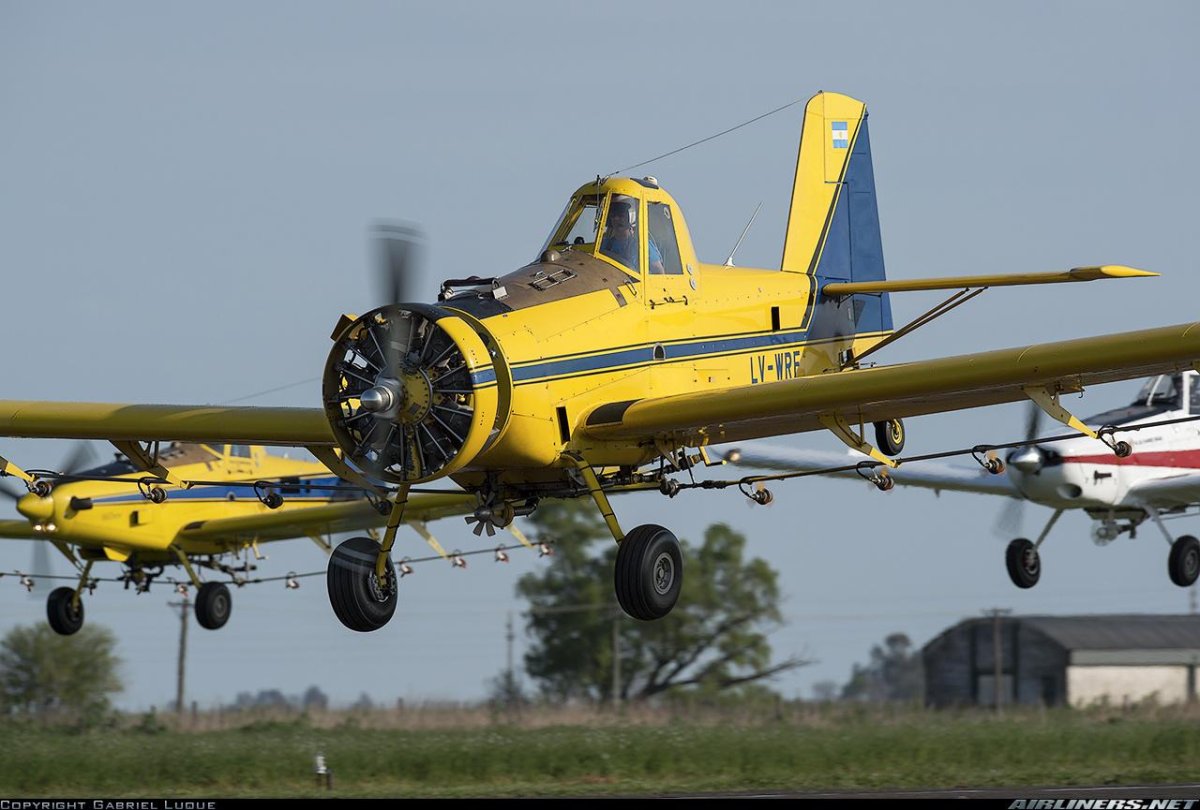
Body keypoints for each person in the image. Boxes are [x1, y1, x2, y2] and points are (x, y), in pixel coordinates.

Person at [600, 198, 664, 273]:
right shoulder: (605, 245)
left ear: (629, 219)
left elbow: (659, 271)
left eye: (621, 215)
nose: (617, 219)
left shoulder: (644, 245)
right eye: (613, 216)